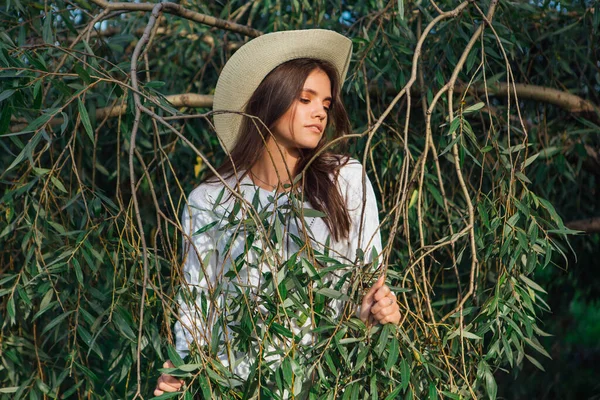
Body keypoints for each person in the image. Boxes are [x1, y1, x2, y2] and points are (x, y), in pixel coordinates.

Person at [154, 29, 400, 396]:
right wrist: (182, 369)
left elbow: (369, 282)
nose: (320, 111)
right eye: (306, 99)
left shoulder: (346, 179)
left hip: (325, 382)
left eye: (327, 104)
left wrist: (381, 312)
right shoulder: (209, 200)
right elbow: (196, 301)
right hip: (234, 385)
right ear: (271, 100)